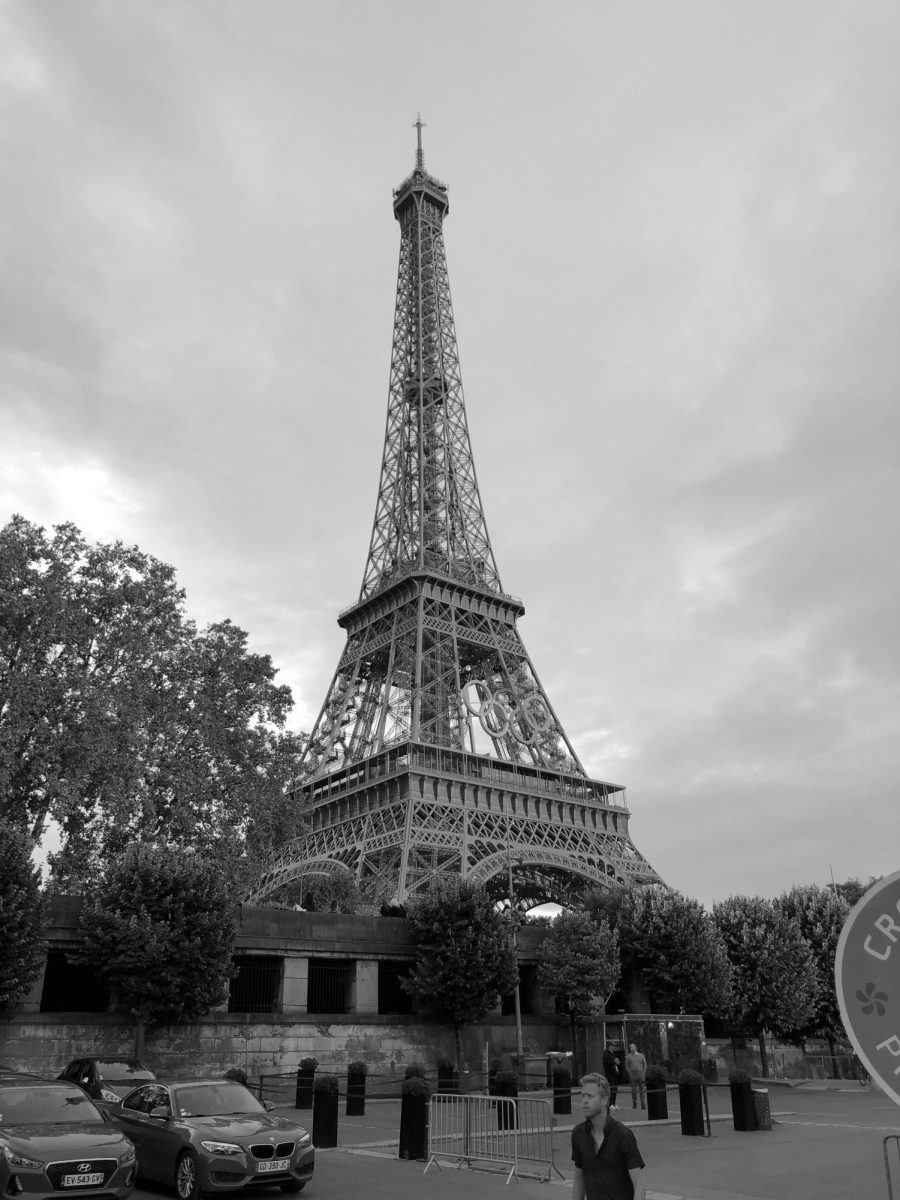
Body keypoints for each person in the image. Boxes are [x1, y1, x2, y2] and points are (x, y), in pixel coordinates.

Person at [572, 1073, 646, 1200]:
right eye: (583, 1095)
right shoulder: (578, 1134)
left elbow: (639, 1184)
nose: (584, 1100)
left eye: (590, 1096)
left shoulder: (623, 1135)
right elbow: (579, 1179)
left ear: (604, 1100)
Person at [624, 1043, 647, 1110]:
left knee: (642, 1090)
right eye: (630, 1047)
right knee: (634, 1091)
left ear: (635, 1047)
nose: (631, 1048)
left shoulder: (641, 1056)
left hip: (640, 1074)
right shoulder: (628, 1057)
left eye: (632, 1047)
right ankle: (634, 1104)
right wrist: (630, 1074)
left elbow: (645, 1065)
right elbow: (626, 1066)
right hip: (632, 1075)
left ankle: (643, 1104)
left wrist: (643, 1074)